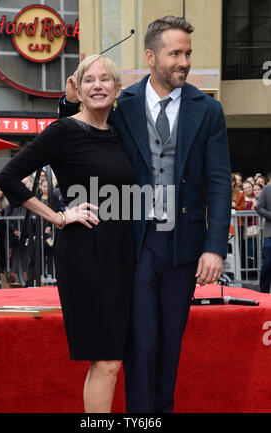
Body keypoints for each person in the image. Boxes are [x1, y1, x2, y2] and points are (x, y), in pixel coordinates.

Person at [59, 15, 232, 413]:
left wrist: (214, 247)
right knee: (141, 343)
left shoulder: (208, 110)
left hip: (185, 246)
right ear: (151, 56)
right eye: (175, 54)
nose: (184, 62)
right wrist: (69, 101)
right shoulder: (124, 104)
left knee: (170, 344)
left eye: (187, 53)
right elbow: (77, 137)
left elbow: (220, 183)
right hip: (134, 243)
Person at [0, 54, 135, 413]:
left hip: (123, 255)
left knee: (114, 359)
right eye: (89, 80)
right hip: (86, 254)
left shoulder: (122, 131)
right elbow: (7, 177)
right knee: (105, 360)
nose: (98, 85)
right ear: (79, 89)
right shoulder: (64, 131)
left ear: (118, 89)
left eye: (106, 79)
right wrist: (57, 217)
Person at [255, 176, 271, 293]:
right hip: (269, 233)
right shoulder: (266, 189)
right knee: (267, 264)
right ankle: (264, 292)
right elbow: (258, 207)